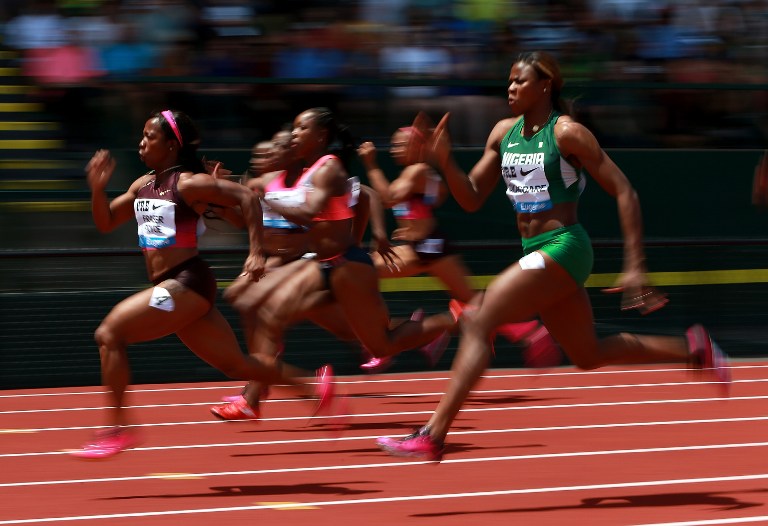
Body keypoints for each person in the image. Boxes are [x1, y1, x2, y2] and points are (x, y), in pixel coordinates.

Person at [375, 51, 731, 462]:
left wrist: (636, 265)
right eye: (508, 81)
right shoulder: (502, 133)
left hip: (565, 246)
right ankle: (694, 349)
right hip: (536, 253)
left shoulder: (568, 134)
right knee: (587, 355)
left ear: (545, 86)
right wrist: (446, 161)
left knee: (479, 317)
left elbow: (625, 191)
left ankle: (433, 435)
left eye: (520, 81)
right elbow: (470, 198)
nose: (510, 88)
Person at [72, 109, 337, 459]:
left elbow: (247, 198)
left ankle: (118, 429)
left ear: (170, 145)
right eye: (141, 135)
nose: (141, 142)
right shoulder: (142, 185)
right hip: (174, 287)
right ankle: (311, 388)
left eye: (149, 136)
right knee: (236, 365)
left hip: (185, 282)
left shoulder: (189, 183)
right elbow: (106, 221)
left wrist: (256, 252)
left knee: (109, 333)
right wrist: (97, 189)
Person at [213, 107, 459, 420]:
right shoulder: (304, 171)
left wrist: (266, 199)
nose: (296, 134)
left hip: (349, 267)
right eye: (296, 129)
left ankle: (450, 319)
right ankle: (261, 394)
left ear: (321, 136)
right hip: (323, 264)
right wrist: (229, 192)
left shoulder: (329, 168)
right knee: (266, 314)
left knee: (382, 346)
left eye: (303, 129)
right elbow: (265, 199)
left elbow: (309, 212)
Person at [357, 126, 560, 373]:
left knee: (362, 270)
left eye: (401, 144)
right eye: (394, 144)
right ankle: (411, 333)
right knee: (470, 301)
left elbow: (388, 197)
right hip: (424, 246)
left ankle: (527, 330)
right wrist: (411, 226)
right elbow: (425, 199)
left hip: (430, 248)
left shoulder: (417, 170)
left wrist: (371, 165)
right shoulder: (420, 173)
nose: (394, 149)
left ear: (417, 147)